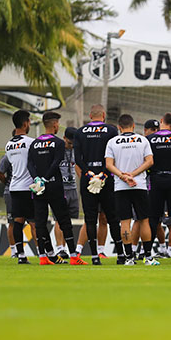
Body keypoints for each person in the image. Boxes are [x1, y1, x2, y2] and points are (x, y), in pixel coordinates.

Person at [28, 111, 84, 266]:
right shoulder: (58, 143)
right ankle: (73, 256)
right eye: (58, 123)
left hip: (38, 188)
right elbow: (56, 162)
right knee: (64, 220)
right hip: (54, 186)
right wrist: (46, 178)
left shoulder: (34, 143)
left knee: (40, 221)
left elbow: (30, 164)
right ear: (54, 125)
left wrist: (37, 179)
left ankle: (42, 257)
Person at [74, 105, 125, 265]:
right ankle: (121, 255)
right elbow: (113, 156)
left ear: (90, 115)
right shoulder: (111, 130)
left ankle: (95, 256)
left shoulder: (80, 132)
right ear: (103, 115)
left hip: (87, 179)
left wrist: (89, 172)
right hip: (106, 178)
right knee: (112, 218)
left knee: (90, 219)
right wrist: (103, 173)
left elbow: (77, 158)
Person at [106, 114, 156, 265]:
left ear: (119, 128)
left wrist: (123, 176)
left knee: (125, 222)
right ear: (134, 126)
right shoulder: (143, 140)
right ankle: (148, 257)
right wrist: (133, 174)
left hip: (121, 187)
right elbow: (150, 161)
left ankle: (129, 258)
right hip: (139, 185)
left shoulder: (112, 142)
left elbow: (109, 165)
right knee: (144, 220)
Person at [146, 112, 171, 259]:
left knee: (153, 218)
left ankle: (147, 254)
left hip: (156, 181)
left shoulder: (149, 139)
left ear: (161, 121)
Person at [5, 111, 37, 264]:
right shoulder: (31, 142)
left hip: (14, 187)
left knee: (18, 221)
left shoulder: (9, 145)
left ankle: (21, 255)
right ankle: (42, 254)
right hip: (29, 187)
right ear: (25, 123)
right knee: (34, 223)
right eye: (29, 123)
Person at [53, 127, 79, 260]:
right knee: (59, 219)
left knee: (68, 220)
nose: (71, 146)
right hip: (60, 188)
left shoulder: (76, 150)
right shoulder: (57, 150)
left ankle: (67, 247)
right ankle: (60, 248)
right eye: (69, 143)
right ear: (64, 138)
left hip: (72, 188)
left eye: (73, 143)